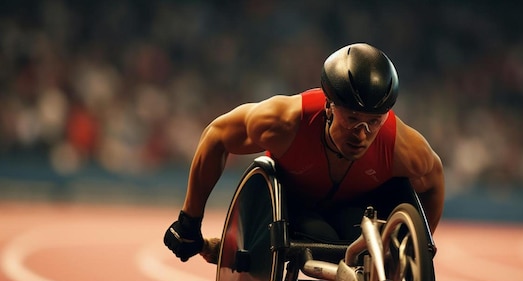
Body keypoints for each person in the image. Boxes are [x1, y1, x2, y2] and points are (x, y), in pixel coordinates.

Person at [164, 43, 444, 262]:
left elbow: (434, 179)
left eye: (374, 122)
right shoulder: (284, 122)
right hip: (291, 206)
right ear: (328, 106)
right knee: (322, 237)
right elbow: (216, 135)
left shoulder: (403, 147)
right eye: (352, 119)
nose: (362, 134)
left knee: (358, 236)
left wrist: (420, 244)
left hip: (356, 211)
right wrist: (190, 220)